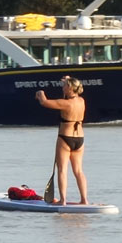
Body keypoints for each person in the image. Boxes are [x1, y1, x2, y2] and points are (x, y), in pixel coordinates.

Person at [35, 75, 89, 205]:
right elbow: (69, 97)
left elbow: (44, 102)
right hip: (79, 139)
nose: (62, 87)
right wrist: (67, 80)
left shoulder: (65, 104)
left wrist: (40, 93)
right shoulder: (81, 101)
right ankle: (84, 200)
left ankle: (63, 201)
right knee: (78, 171)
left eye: (64, 86)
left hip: (65, 137)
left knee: (62, 170)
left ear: (70, 88)